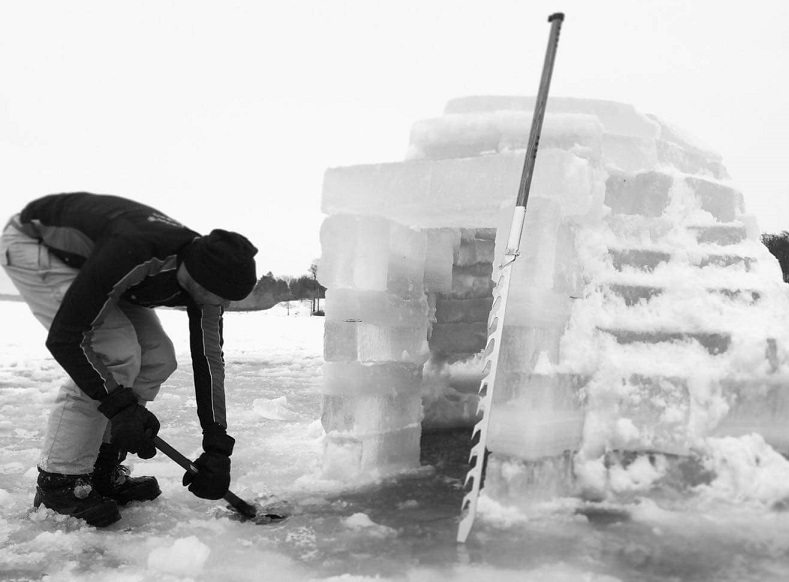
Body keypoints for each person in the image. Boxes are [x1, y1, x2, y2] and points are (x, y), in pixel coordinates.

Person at [0, 192, 258, 527]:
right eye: (219, 295)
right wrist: (120, 407)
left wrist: (217, 445)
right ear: (198, 276)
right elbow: (66, 338)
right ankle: (60, 481)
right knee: (115, 352)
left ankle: (102, 467)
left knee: (158, 359)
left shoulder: (205, 284)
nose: (222, 304)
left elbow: (210, 361)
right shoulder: (137, 252)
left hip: (98, 268)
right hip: (34, 244)